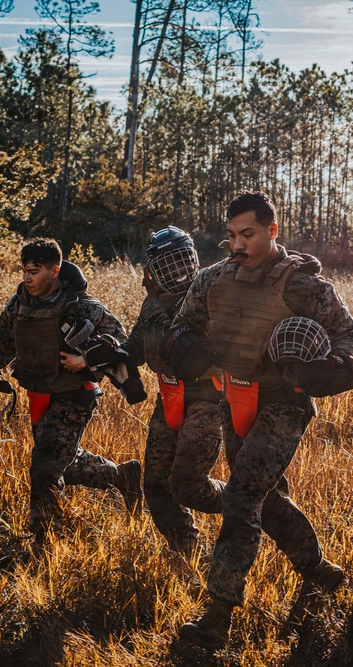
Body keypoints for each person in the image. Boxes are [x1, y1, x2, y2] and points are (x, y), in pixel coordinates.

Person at [163, 190, 353, 650]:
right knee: (266, 500)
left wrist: (328, 371)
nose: (237, 244)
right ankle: (319, 571)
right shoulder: (213, 279)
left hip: (283, 403)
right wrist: (182, 346)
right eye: (231, 235)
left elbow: (351, 344)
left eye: (248, 235)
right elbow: (183, 324)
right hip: (233, 399)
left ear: (273, 231)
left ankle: (217, 617)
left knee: (242, 495)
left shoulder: (302, 286)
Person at [0, 238, 144, 546]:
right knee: (65, 462)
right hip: (39, 392)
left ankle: (46, 543)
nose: (27, 278)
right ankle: (123, 476)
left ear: (55, 270)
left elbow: (121, 341)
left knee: (45, 467)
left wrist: (86, 359)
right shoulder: (21, 300)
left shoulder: (80, 305)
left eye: (34, 271)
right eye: (24, 270)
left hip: (75, 394)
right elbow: (2, 337)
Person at [118, 226, 226, 555]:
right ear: (154, 269)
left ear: (192, 259)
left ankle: (253, 501)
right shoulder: (152, 303)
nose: (176, 270)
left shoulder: (213, 290)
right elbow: (135, 347)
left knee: (188, 485)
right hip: (169, 399)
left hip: (209, 397)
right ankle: (187, 550)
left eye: (181, 261)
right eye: (167, 264)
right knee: (155, 486)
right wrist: (105, 353)